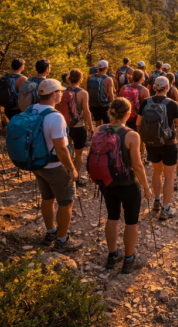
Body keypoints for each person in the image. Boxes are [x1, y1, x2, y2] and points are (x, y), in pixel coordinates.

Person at [97, 98, 153, 273]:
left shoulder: (99, 130)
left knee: (112, 217)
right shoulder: (131, 135)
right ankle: (129, 260)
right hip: (128, 184)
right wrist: (146, 187)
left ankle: (112, 255)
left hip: (106, 182)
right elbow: (137, 166)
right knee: (131, 222)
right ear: (129, 113)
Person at [31, 79, 83, 252]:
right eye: (60, 91)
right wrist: (71, 168)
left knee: (47, 198)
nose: (62, 93)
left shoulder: (31, 109)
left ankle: (51, 231)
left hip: (38, 164)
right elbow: (61, 149)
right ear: (54, 94)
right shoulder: (55, 116)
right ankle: (62, 240)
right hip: (55, 166)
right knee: (66, 202)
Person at [136, 76, 178, 221]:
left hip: (152, 143)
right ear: (168, 88)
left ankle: (157, 201)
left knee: (157, 171)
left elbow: (138, 122)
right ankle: (165, 208)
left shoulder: (146, 102)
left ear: (154, 87)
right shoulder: (172, 104)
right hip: (168, 144)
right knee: (169, 175)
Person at [60, 69, 93, 186]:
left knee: (67, 151)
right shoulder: (83, 93)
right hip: (79, 126)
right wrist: (91, 127)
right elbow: (87, 112)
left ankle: (67, 173)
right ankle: (76, 176)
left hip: (64, 126)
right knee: (79, 153)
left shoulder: (61, 90)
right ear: (80, 78)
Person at [0, 58, 27, 123]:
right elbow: (23, 96)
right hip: (17, 109)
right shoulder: (22, 79)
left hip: (7, 108)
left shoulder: (4, 77)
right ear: (22, 66)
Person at [87, 60, 115, 127]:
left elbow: (86, 91)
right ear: (106, 68)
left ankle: (98, 136)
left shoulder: (90, 77)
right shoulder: (108, 79)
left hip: (93, 105)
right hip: (104, 106)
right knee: (107, 125)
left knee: (98, 124)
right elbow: (111, 95)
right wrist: (114, 107)